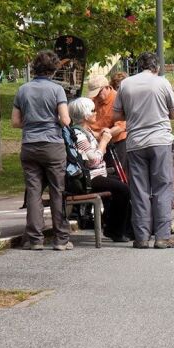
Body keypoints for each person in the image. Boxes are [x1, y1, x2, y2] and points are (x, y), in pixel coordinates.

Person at [113, 52, 174, 249]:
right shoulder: (162, 83)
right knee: (162, 188)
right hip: (160, 141)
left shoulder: (126, 84)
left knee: (139, 190)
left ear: (137, 66)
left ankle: (141, 237)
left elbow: (117, 114)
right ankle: (162, 236)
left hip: (135, 143)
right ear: (156, 67)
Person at [12, 50, 72, 251]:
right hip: (52, 145)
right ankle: (61, 239)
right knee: (57, 190)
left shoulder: (23, 90)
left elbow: (15, 122)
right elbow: (65, 120)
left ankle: (35, 239)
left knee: (34, 192)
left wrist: (33, 122)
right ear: (53, 69)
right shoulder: (57, 90)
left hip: (29, 145)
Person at [68, 97, 132, 242]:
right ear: (85, 116)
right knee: (122, 189)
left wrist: (103, 135)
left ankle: (121, 227)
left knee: (125, 185)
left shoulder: (86, 130)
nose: (96, 113)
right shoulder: (78, 135)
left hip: (98, 174)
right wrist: (104, 142)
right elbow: (93, 160)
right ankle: (114, 230)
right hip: (89, 178)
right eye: (93, 111)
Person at [86, 74, 128, 172]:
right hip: (95, 143)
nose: (95, 96)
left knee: (117, 174)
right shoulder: (93, 99)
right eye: (94, 94)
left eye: (98, 93)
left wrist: (100, 135)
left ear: (106, 87)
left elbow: (120, 126)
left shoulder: (117, 99)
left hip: (116, 143)